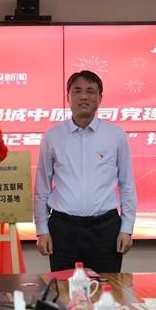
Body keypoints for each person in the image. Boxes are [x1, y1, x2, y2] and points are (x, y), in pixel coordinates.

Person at [33, 70, 137, 272]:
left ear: (100, 98)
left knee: (107, 287)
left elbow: (127, 184)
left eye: (90, 91)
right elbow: (42, 187)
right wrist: (42, 230)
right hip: (63, 228)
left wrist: (127, 228)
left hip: (105, 228)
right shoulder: (53, 136)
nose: (83, 96)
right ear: (68, 97)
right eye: (77, 91)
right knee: (64, 288)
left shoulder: (115, 135)